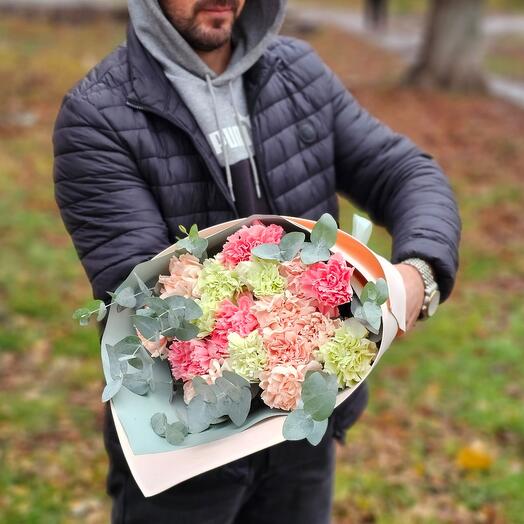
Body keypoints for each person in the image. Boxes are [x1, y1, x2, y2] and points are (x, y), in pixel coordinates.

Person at [52, 0, 461, 522]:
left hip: (304, 427)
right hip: (185, 446)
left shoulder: (297, 72)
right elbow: (148, 304)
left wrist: (419, 274)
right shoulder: (99, 114)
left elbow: (403, 172)